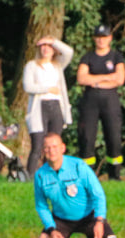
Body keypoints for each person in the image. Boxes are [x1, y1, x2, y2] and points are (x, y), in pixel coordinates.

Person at [76, 24, 125, 181]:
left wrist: (95, 80)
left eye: (104, 37)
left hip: (110, 100)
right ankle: (87, 176)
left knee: (114, 137)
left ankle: (114, 175)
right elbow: (81, 78)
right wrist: (107, 78)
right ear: (94, 39)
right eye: (98, 37)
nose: (101, 40)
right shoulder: (88, 57)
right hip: (90, 101)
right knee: (87, 137)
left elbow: (120, 79)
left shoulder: (116, 56)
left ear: (110, 38)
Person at [23, 35, 74, 177]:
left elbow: (69, 52)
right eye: (43, 46)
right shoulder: (32, 66)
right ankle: (30, 177)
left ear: (54, 50)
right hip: (39, 108)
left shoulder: (57, 66)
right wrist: (47, 89)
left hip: (56, 106)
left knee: (54, 144)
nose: (46, 49)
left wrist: (53, 41)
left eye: (49, 46)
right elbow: (28, 86)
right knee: (38, 145)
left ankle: (52, 175)